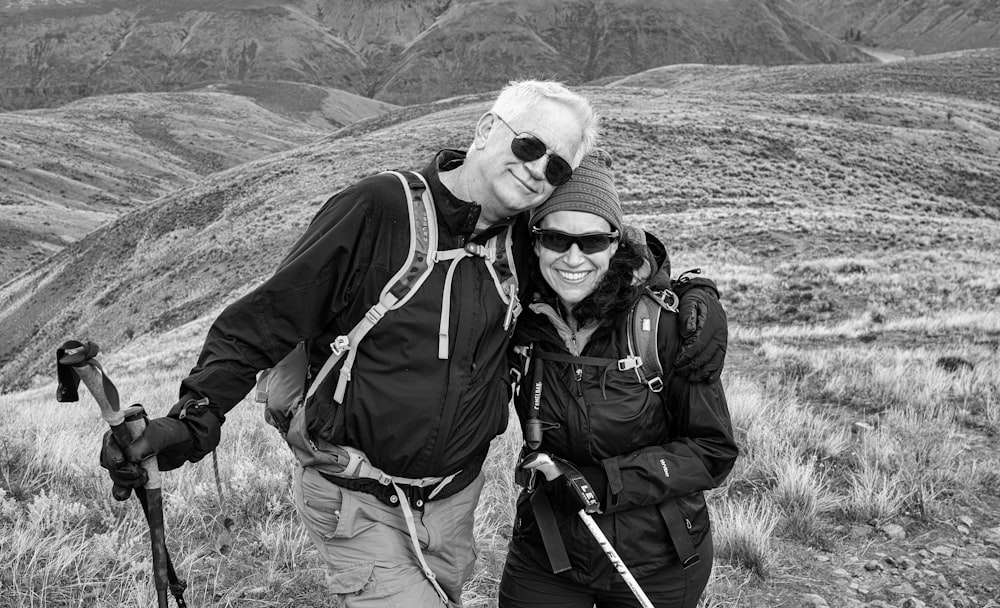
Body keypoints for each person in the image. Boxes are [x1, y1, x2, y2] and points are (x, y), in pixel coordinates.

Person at [99, 81, 728, 607]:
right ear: (487, 128)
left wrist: (693, 295)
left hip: (455, 502)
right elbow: (262, 321)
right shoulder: (379, 211)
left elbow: (605, 250)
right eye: (529, 145)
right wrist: (192, 419)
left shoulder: (521, 245)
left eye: (556, 166)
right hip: (359, 498)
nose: (538, 169)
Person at [498, 150, 738, 608]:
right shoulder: (515, 315)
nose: (572, 258)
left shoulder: (665, 327)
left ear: (616, 243)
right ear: (533, 242)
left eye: (592, 242)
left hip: (657, 560)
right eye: (554, 237)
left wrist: (601, 484)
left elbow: (712, 451)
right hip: (546, 549)